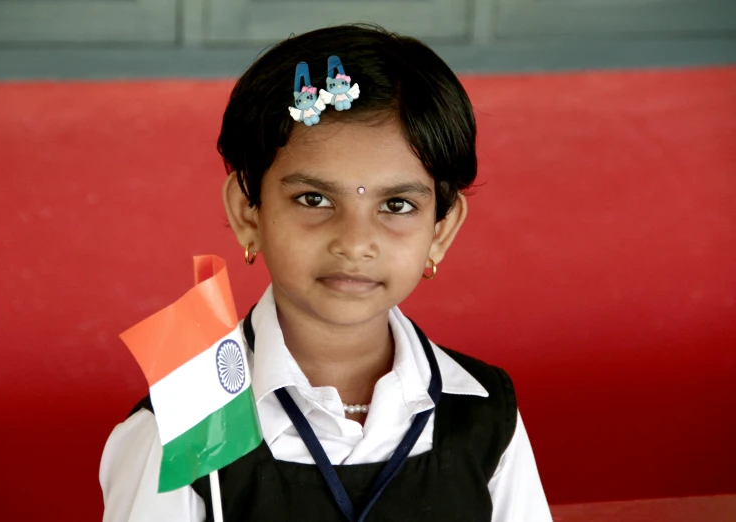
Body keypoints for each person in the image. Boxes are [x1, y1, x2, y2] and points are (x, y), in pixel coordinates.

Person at [100, 24, 552, 522]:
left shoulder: (483, 414)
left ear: (441, 229)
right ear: (248, 210)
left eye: (397, 205)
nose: (355, 242)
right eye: (313, 199)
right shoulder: (185, 427)